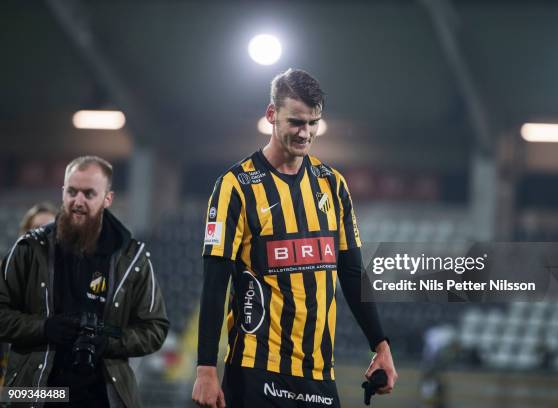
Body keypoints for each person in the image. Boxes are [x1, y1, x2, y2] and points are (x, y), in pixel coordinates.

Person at [192, 69, 397, 407]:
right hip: (256, 371)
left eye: (313, 123)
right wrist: (205, 369)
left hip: (319, 376)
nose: (306, 133)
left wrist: (381, 346)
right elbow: (215, 283)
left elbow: (351, 273)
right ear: (272, 114)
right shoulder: (236, 186)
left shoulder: (332, 184)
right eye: (296, 122)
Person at [0, 156, 169, 407]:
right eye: (72, 192)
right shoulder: (29, 249)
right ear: (63, 192)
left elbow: (154, 329)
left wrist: (109, 343)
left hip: (103, 396)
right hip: (40, 395)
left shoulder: (133, 258)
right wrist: (44, 328)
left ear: (107, 198)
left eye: (89, 194)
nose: (78, 201)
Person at [0, 202, 57, 387]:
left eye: (50, 228)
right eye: (37, 229)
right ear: (23, 235)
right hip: (13, 375)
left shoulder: (71, 277)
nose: (44, 234)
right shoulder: (6, 272)